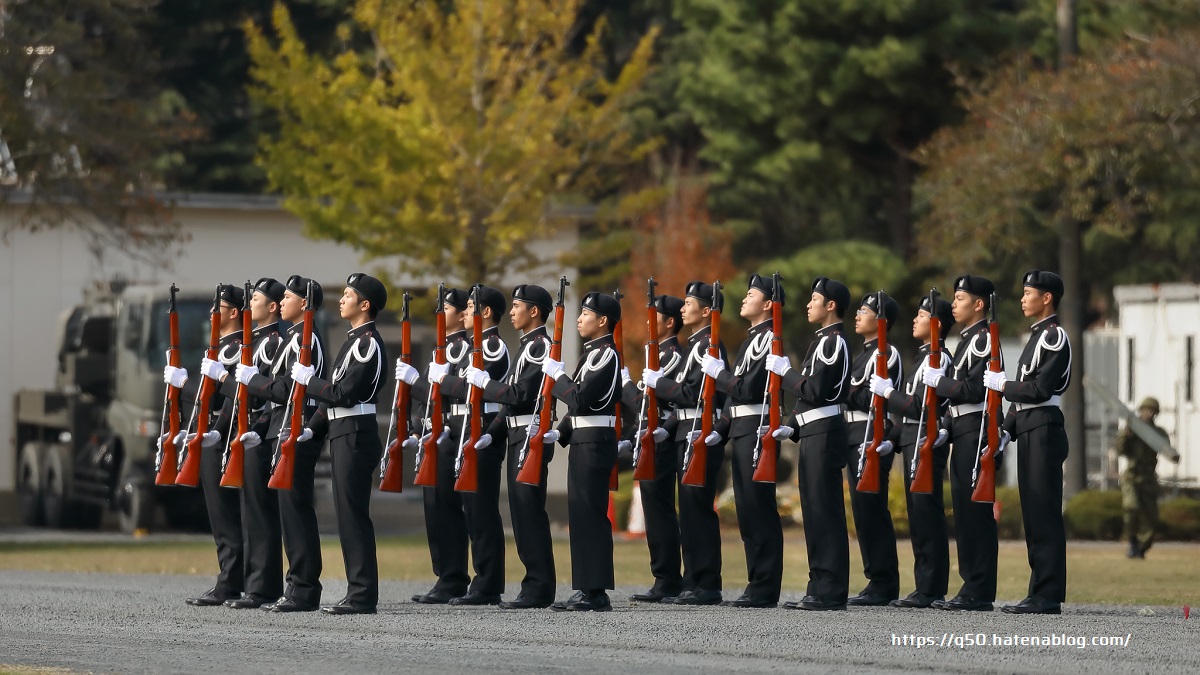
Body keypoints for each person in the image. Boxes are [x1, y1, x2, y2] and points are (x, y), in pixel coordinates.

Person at [292, 273, 388, 615]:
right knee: (346, 514)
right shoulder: (352, 342)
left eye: (349, 294)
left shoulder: (367, 344)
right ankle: (357, 591)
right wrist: (312, 428)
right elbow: (332, 399)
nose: (342, 299)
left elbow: (344, 394)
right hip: (343, 431)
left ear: (365, 305)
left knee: (353, 515)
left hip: (355, 432)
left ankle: (362, 595)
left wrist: (309, 381)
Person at [460, 284, 557, 609]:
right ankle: (533, 586)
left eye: (518, 306)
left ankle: (539, 588)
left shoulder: (540, 347)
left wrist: (485, 383)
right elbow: (510, 405)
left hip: (529, 435)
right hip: (516, 434)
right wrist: (493, 432)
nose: (512, 312)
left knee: (529, 511)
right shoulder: (526, 346)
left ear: (534, 311)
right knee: (520, 512)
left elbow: (520, 395)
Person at [235, 275, 326, 612]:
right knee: (286, 512)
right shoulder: (295, 338)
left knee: (296, 511)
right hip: (279, 427)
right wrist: (261, 428)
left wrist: (254, 381)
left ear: (304, 303)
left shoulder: (307, 339)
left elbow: (288, 388)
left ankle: (304, 588)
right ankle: (284, 586)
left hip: (296, 428)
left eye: (289, 297)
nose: (283, 301)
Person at [985, 270, 1072, 615]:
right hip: (1029, 427)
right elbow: (1021, 401)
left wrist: (1003, 385)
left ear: (1046, 298)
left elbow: (1039, 390)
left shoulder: (1054, 336)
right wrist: (1005, 432)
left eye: (1028, 293)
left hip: (1044, 427)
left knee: (1044, 512)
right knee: (1033, 512)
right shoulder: (1036, 337)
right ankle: (1038, 591)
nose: (1022, 299)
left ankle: (1047, 594)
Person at [766, 276, 852, 611]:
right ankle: (818, 586)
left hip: (826, 433)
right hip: (814, 432)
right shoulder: (821, 342)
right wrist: (791, 427)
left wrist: (786, 373)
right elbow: (808, 399)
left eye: (814, 299)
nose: (808, 304)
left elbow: (816, 390)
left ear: (831, 305)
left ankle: (830, 590)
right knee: (814, 511)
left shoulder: (834, 342)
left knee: (825, 511)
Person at [204, 277, 285, 610]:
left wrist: (223, 380)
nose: (250, 305)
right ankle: (234, 581)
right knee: (231, 513)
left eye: (256, 300)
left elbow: (259, 393)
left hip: (257, 430)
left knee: (257, 512)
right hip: (233, 430)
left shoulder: (271, 343)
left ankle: (262, 585)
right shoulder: (255, 342)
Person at [163, 284, 246, 608]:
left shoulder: (235, 348)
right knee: (220, 513)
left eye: (219, 307)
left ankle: (231, 582)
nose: (212, 312)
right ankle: (232, 578)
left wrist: (183, 381)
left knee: (226, 513)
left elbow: (219, 397)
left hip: (223, 435)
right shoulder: (221, 347)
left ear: (234, 312)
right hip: (212, 432)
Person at [540, 291, 623, 612]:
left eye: (586, 314)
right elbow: (578, 408)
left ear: (602, 321)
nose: (579, 319)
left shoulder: (606, 355)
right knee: (580, 514)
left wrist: (557, 377)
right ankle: (586, 587)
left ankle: (596, 592)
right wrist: (559, 432)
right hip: (583, 439)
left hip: (594, 442)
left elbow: (579, 399)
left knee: (590, 514)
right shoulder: (592, 354)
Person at [699, 274, 778, 609]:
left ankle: (764, 587)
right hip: (741, 428)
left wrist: (719, 374)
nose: (744, 299)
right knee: (747, 509)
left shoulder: (771, 339)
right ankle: (756, 582)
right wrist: (722, 426)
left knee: (759, 508)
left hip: (757, 427)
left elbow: (747, 389)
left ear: (769, 304)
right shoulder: (751, 341)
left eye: (751, 295)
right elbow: (735, 397)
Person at [870, 293, 953, 609]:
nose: (915, 320)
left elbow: (919, 407)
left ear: (936, 324)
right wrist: (892, 438)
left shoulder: (939, 358)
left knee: (927, 514)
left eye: (922, 315)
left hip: (925, 441)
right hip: (912, 439)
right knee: (918, 515)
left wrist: (888, 392)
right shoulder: (922, 358)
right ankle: (924, 585)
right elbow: (910, 413)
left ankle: (931, 588)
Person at [924, 274, 1000, 612]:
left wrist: (940, 383)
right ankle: (970, 586)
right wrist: (946, 427)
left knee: (975, 513)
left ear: (978, 304)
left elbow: (974, 390)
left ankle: (979, 590)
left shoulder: (983, 339)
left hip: (977, 429)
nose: (953, 305)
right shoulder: (967, 340)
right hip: (962, 428)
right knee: (964, 513)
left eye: (960, 298)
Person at [648, 282, 728, 606]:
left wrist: (659, 384)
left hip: (700, 429)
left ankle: (707, 583)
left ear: (707, 311)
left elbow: (691, 393)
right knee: (689, 510)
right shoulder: (695, 345)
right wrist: (666, 428)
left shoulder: (710, 345)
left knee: (698, 508)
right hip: (685, 429)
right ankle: (692, 581)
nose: (682, 309)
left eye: (689, 303)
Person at [432, 285, 511, 605]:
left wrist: (441, 380)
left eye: (470, 307)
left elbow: (471, 388)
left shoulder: (492, 346)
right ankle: (452, 579)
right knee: (450, 506)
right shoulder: (470, 347)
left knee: (480, 510)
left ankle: (487, 584)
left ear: (486, 312)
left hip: (480, 426)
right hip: (458, 427)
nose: (464, 312)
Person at [401, 288, 472, 605]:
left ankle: (454, 577)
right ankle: (443, 575)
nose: (439, 313)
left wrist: (416, 382)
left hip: (452, 434)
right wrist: (418, 425)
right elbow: (427, 400)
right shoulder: (440, 351)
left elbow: (456, 392)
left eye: (447, 307)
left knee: (447, 507)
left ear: (461, 313)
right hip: (434, 434)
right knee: (433, 507)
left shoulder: (468, 350)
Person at [620, 293, 685, 603]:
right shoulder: (658, 355)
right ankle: (663, 576)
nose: (648, 323)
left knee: (659, 510)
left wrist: (626, 387)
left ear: (669, 322)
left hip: (662, 440)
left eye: (654, 317)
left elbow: (652, 405)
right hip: (648, 439)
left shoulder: (673, 357)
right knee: (654, 509)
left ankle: (668, 579)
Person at [840, 292, 901, 606]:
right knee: (863, 512)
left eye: (864, 310)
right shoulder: (862, 354)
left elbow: (874, 398)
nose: (857, 315)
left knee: (873, 509)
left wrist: (845, 391)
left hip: (871, 432)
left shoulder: (886, 353)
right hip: (854, 433)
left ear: (881, 320)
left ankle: (884, 583)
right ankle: (875, 578)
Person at [1114, 397, 1171, 559]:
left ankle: (1141, 548)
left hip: (1149, 478)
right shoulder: (1132, 429)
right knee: (1131, 507)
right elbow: (1120, 450)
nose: (1149, 413)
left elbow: (1166, 449)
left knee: (1151, 518)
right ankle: (1132, 540)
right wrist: (1126, 435)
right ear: (1141, 410)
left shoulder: (1159, 432)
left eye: (1152, 411)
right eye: (1146, 410)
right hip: (1132, 476)